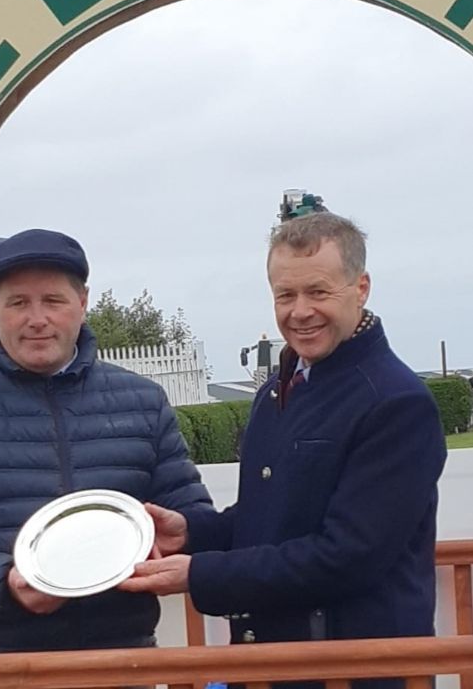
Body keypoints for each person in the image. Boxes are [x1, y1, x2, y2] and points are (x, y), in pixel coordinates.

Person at [121, 213, 447, 686]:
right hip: (274, 664)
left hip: (353, 672)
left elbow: (348, 556)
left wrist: (201, 573)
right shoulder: (280, 387)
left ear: (361, 288)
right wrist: (193, 533)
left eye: (318, 292)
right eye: (285, 295)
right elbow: (273, 514)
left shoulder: (397, 403)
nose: (300, 311)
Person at [0, 228, 212, 655]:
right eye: (17, 302)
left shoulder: (142, 401)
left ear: (82, 303)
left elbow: (189, 519)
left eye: (53, 301)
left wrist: (182, 536)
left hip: (120, 661)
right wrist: (6, 583)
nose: (36, 318)